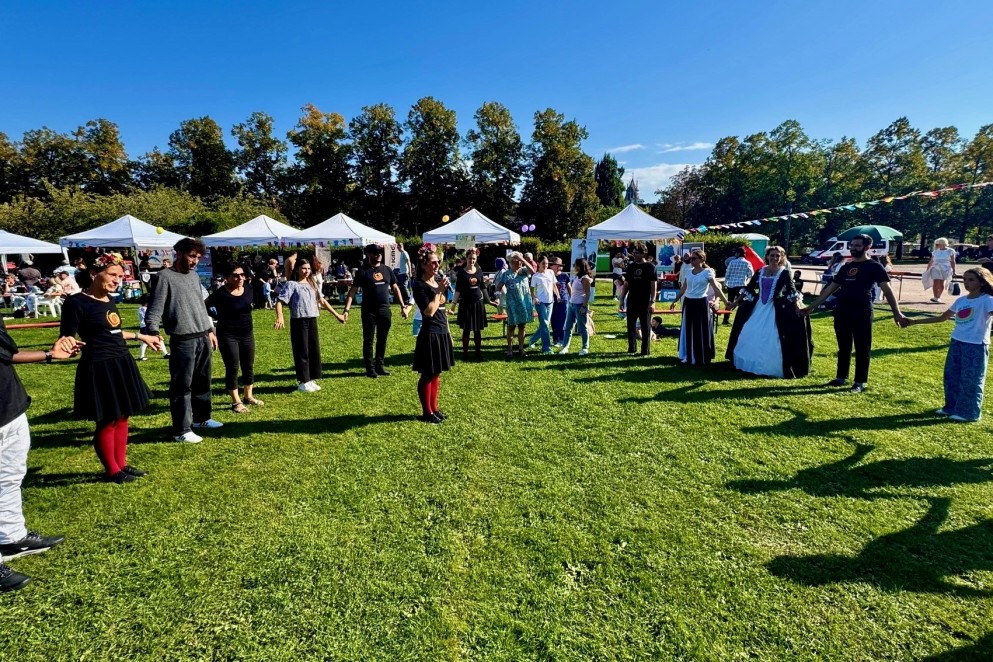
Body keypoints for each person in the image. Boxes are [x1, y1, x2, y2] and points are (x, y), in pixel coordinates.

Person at [59, 253, 161, 482]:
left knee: (123, 415)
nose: (118, 280)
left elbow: (112, 332)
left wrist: (140, 336)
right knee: (108, 418)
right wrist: (65, 345)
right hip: (99, 365)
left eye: (121, 276)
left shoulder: (110, 300)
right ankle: (112, 470)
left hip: (121, 361)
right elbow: (66, 336)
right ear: (94, 274)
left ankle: (121, 465)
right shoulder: (76, 303)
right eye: (113, 275)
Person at [0, 320, 77, 592]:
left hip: (9, 404)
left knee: (10, 478)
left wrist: (48, 355)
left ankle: (12, 537)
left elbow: (5, 353)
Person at [800, 234, 906, 393]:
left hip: (862, 311)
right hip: (842, 310)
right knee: (844, 346)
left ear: (867, 247)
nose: (853, 248)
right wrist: (812, 306)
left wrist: (897, 313)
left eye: (857, 245)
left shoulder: (874, 267)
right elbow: (829, 289)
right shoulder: (846, 267)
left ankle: (859, 381)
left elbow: (887, 290)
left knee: (862, 347)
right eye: (852, 245)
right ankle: (841, 377)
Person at [144, 238, 223, 443]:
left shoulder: (194, 277)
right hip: (182, 339)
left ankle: (202, 419)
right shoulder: (164, 277)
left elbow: (200, 305)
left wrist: (210, 329)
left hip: (202, 336)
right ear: (178, 254)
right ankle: (181, 429)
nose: (195, 261)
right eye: (191, 256)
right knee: (182, 386)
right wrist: (152, 331)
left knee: (203, 381)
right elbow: (155, 308)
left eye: (198, 257)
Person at [901, 268, 993, 422]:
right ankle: (951, 407)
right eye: (965, 279)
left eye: (971, 280)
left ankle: (969, 413)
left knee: (971, 379)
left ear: (982, 282)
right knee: (951, 376)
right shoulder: (961, 300)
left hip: (976, 344)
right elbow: (941, 318)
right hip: (957, 341)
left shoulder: (988, 300)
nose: (967, 283)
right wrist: (914, 322)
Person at [725, 246, 813, 378]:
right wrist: (735, 303)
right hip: (758, 307)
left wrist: (796, 306)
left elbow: (791, 290)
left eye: (777, 256)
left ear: (781, 257)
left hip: (774, 308)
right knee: (749, 330)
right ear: (767, 256)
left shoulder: (783, 272)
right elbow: (748, 288)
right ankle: (748, 362)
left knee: (771, 335)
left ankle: (770, 366)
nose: (774, 258)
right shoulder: (760, 271)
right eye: (772, 255)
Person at [275, 258, 345, 392]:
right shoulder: (291, 284)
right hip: (299, 320)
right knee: (302, 350)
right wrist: (280, 316)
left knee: (313, 350)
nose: (306, 271)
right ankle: (303, 381)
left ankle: (311, 378)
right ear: (297, 269)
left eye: (308, 268)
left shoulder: (312, 283)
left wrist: (337, 315)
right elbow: (280, 301)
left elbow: (322, 300)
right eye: (303, 268)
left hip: (312, 319)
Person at [343, 244, 410, 378]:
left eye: (379, 252)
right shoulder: (362, 271)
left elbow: (395, 288)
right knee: (368, 340)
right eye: (375, 252)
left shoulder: (387, 269)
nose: (378, 254)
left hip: (385, 310)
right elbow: (353, 291)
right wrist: (346, 310)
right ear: (368, 254)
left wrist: (403, 306)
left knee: (382, 339)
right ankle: (370, 368)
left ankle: (379, 365)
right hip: (369, 311)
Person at [205, 265, 262, 413]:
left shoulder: (248, 288)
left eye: (242, 275)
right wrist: (216, 318)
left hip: (247, 334)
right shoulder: (220, 294)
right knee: (233, 367)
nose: (240, 278)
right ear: (227, 277)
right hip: (228, 335)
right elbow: (203, 306)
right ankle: (236, 401)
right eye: (236, 275)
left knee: (248, 365)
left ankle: (248, 396)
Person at [411, 244, 455, 424]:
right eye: (433, 263)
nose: (437, 266)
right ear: (423, 265)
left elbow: (442, 311)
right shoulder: (419, 285)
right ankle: (426, 412)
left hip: (441, 331)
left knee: (436, 373)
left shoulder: (436, 282)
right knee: (428, 373)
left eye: (438, 262)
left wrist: (449, 333)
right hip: (429, 333)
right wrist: (438, 293)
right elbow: (428, 311)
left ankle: (434, 408)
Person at [671, 250, 731, 366]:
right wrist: (674, 300)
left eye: (694, 259)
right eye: (691, 259)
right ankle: (688, 355)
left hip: (701, 302)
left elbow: (717, 289)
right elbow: (683, 289)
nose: (691, 261)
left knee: (699, 330)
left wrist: (725, 301)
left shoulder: (707, 272)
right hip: (688, 302)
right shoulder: (688, 272)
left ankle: (700, 356)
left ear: (702, 259)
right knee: (688, 329)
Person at [452, 248, 494, 360]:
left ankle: (478, 353)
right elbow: (457, 290)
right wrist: (453, 306)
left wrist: (489, 301)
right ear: (466, 258)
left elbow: (483, 287)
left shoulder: (479, 271)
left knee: (477, 330)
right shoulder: (461, 272)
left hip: (478, 303)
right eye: (470, 258)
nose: (472, 260)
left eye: (474, 259)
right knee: (466, 329)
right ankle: (465, 354)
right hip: (465, 304)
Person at [618, 243, 658, 356]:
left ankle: (645, 351)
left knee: (645, 326)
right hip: (632, 299)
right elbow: (626, 284)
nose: (634, 255)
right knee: (630, 325)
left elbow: (653, 285)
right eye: (633, 253)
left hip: (645, 300)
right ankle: (632, 348)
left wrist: (653, 301)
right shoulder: (631, 266)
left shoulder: (650, 267)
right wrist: (621, 300)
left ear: (643, 253)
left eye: (636, 253)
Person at [495, 252, 535, 357]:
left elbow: (533, 270)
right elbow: (499, 287)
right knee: (511, 326)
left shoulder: (524, 271)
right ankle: (509, 349)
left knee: (522, 326)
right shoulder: (506, 274)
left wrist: (522, 258)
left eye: (521, 260)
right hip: (512, 303)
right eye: (518, 260)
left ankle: (521, 349)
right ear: (512, 262)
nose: (520, 262)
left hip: (524, 302)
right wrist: (497, 297)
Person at [524, 255, 560, 355]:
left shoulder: (551, 272)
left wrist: (558, 295)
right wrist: (534, 298)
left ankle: (532, 339)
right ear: (539, 263)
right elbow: (531, 290)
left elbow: (554, 285)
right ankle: (546, 348)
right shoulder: (536, 276)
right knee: (545, 324)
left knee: (545, 324)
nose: (545, 265)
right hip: (540, 303)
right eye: (543, 263)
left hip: (550, 302)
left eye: (547, 264)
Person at [559, 258, 594, 356]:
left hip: (580, 305)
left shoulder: (585, 278)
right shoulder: (577, 277)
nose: (574, 266)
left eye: (575, 265)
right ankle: (565, 347)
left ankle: (585, 347)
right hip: (572, 304)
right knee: (568, 327)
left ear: (580, 266)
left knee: (582, 328)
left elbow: (587, 294)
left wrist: (584, 306)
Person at [723, 247, 754, 325]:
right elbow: (751, 274)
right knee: (741, 303)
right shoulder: (747, 263)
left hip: (731, 285)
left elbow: (727, 274)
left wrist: (724, 283)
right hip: (741, 285)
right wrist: (747, 281)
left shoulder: (732, 262)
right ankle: (742, 318)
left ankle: (726, 319)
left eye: (735, 253)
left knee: (729, 302)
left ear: (738, 253)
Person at [924, 237, 957, 303]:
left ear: (943, 244)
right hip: (935, 268)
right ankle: (935, 297)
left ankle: (938, 296)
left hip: (945, 268)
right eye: (936, 244)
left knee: (941, 283)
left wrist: (954, 270)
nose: (937, 246)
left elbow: (953, 261)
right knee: (935, 282)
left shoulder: (950, 251)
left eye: (938, 244)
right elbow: (931, 261)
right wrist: (927, 269)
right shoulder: (935, 252)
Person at [137, 294, 169, 361]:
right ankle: (141, 356)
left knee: (158, 340)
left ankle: (165, 353)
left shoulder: (142, 308)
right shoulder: (144, 309)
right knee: (145, 342)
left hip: (146, 326)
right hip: (145, 327)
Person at [549, 257, 571, 346]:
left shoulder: (564, 275)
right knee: (553, 320)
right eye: (553, 265)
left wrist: (572, 298)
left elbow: (569, 287)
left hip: (564, 300)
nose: (552, 266)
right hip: (552, 300)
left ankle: (561, 339)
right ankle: (555, 339)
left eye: (556, 265)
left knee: (562, 320)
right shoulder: (549, 275)